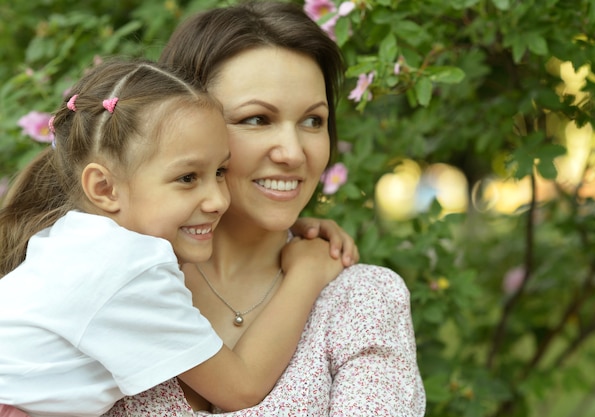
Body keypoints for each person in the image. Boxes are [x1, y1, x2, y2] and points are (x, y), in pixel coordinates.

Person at [105, 2, 426, 416]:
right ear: (180, 125)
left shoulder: (360, 300)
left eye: (313, 121)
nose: (293, 154)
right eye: (257, 119)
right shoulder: (114, 281)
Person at [0, 58, 346, 417]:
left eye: (220, 171)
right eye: (187, 178)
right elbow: (240, 389)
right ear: (103, 187)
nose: (218, 200)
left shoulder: (80, 242)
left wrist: (288, 228)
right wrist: (306, 273)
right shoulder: (128, 269)